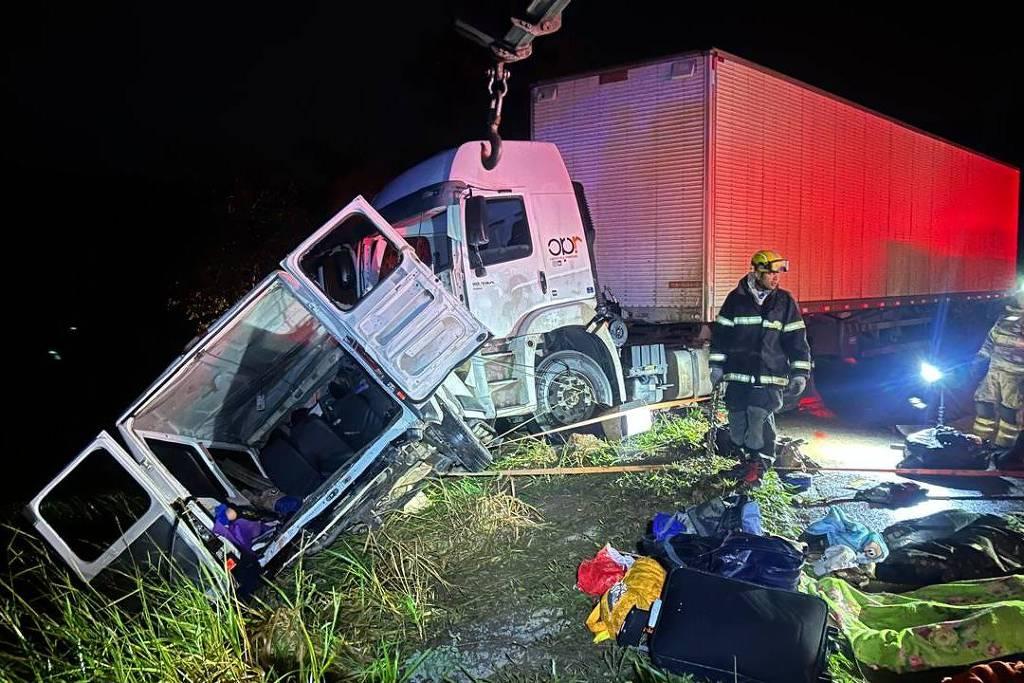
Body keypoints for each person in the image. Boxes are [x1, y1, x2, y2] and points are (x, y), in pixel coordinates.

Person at [709, 250, 812, 475]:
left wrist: (799, 373)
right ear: (756, 272)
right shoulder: (735, 300)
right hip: (738, 377)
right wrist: (716, 366)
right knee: (737, 427)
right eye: (771, 274)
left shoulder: (785, 302)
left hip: (769, 376)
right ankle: (744, 466)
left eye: (778, 274)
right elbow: (721, 336)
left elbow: (797, 340)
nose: (776, 278)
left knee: (759, 422)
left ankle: (759, 470)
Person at [971, 281, 1024, 449]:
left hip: (1016, 375)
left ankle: (1004, 447)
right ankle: (980, 441)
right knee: (983, 402)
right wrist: (979, 358)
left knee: (1009, 410)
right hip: (994, 370)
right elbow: (991, 340)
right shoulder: (1006, 318)